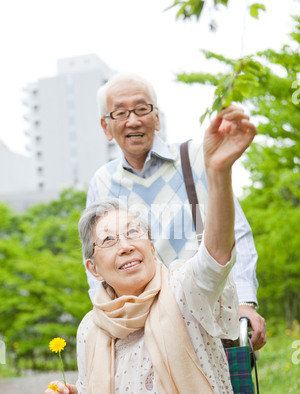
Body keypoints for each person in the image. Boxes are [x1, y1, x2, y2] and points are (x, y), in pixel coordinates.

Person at [43, 107, 256, 394]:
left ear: (151, 246)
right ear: (93, 268)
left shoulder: (184, 290)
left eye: (134, 233)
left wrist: (218, 173)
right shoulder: (91, 329)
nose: (125, 246)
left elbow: (217, 254)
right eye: (109, 241)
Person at [86, 72, 266, 351]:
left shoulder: (197, 157)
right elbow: (97, 259)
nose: (133, 120)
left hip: (209, 318)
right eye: (120, 113)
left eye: (142, 109)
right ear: (105, 126)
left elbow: (236, 232)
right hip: (143, 332)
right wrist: (111, 320)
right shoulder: (102, 181)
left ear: (156, 117)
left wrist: (244, 303)